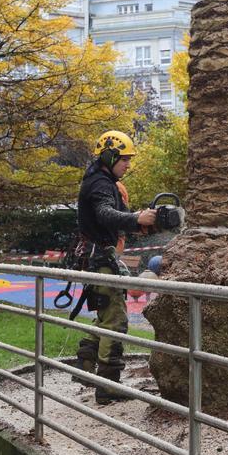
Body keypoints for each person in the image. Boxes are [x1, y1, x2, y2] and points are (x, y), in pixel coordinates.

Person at [74, 130, 156, 404]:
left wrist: (138, 225)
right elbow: (105, 214)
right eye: (125, 159)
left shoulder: (101, 180)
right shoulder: (100, 183)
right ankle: (108, 386)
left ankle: (86, 369)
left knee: (104, 316)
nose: (128, 164)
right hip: (100, 258)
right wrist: (135, 218)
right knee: (116, 321)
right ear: (110, 156)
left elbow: (108, 221)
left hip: (97, 256)